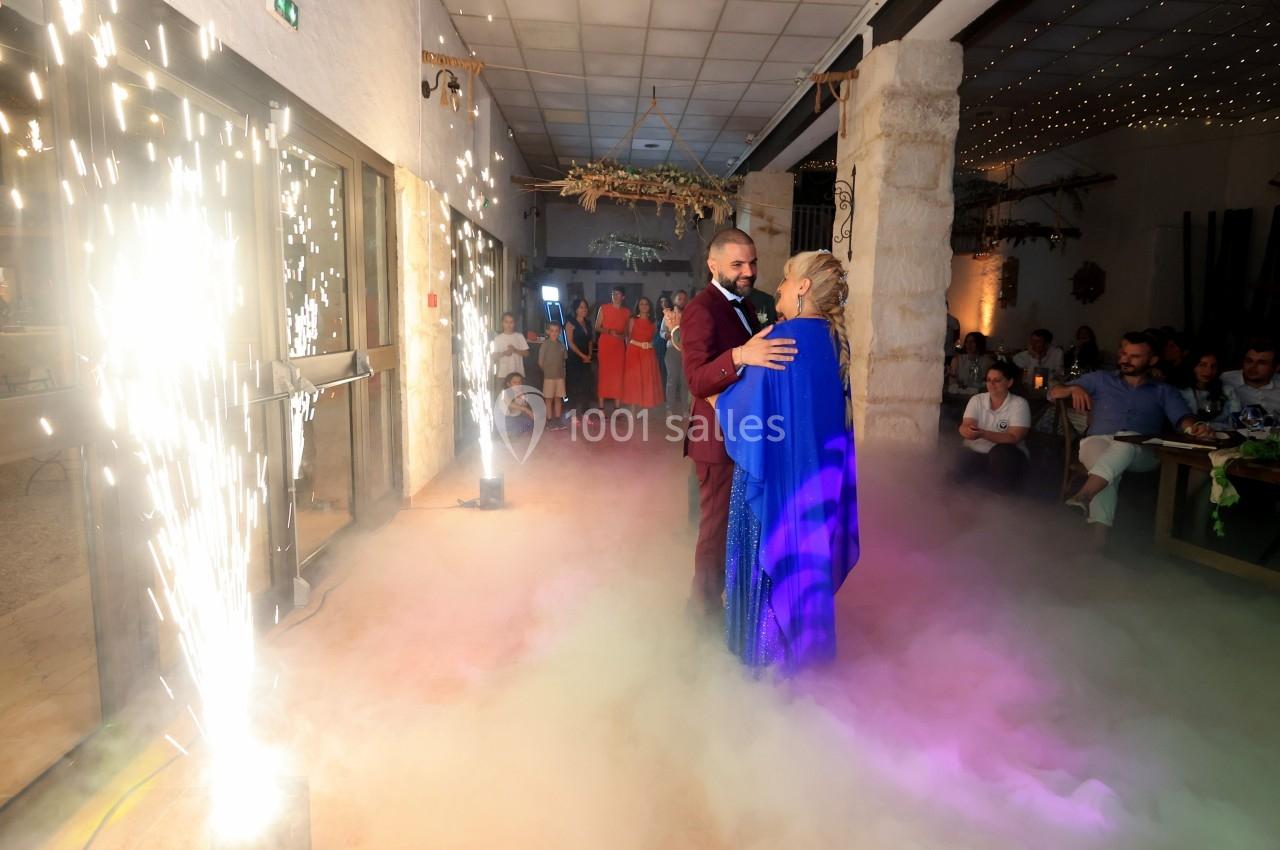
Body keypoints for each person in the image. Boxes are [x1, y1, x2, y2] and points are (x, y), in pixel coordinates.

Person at [712, 250, 858, 672]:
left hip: (775, 478)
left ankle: (768, 663)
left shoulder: (781, 337)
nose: (777, 284)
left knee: (771, 554)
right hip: (816, 486)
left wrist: (715, 386)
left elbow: (742, 408)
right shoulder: (833, 342)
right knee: (805, 561)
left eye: (786, 275)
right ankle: (806, 664)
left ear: (804, 287)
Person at [682, 228, 796, 617]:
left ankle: (734, 608)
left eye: (753, 262)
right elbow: (696, 379)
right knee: (714, 529)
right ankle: (702, 614)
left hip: (745, 434)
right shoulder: (701, 308)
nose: (749, 270)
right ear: (713, 265)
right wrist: (741, 354)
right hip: (716, 438)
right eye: (738, 264)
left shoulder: (746, 304)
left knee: (735, 527)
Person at [1050, 331, 1211, 537]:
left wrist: (1195, 427)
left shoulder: (1164, 390)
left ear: (1152, 360)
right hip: (1097, 442)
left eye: (1134, 356)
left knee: (1126, 442)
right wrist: (1071, 389)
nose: (1125, 359)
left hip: (1143, 451)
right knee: (1108, 469)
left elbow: (1182, 418)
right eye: (1124, 354)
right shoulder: (1100, 379)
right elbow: (1052, 391)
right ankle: (1096, 543)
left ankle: (1085, 495)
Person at [954, 361, 1031, 489]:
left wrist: (982, 433)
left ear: (1009, 382)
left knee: (1002, 453)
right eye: (989, 380)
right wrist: (967, 431)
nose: (991, 384)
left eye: (997, 380)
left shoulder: (1019, 404)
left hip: (1007, 458)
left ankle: (1003, 497)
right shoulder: (977, 400)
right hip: (977, 452)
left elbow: (1014, 437)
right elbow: (966, 425)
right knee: (953, 475)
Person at [1221, 337, 1279, 417]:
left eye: (1261, 363)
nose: (1252, 367)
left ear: (1276, 368)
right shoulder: (1225, 379)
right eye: (1249, 361)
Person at [1178, 349, 1238, 427]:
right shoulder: (1180, 391)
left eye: (1213, 366)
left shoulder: (1227, 390)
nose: (1209, 371)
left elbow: (1236, 419)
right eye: (1202, 365)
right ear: (1192, 366)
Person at [621, 297, 663, 408]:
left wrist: (651, 345)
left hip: (648, 353)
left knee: (647, 381)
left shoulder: (653, 322)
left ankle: (645, 410)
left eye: (646, 304)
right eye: (641, 304)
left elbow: (655, 338)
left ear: (649, 307)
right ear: (638, 306)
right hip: (633, 352)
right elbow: (628, 337)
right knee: (634, 381)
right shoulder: (632, 320)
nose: (644, 306)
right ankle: (632, 412)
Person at [594, 287, 629, 408]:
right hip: (605, 344)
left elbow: (626, 332)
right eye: (613, 293)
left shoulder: (626, 312)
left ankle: (617, 408)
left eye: (618, 294)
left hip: (619, 346)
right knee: (604, 374)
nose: (615, 295)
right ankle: (601, 407)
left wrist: (622, 335)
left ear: (623, 297)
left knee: (618, 376)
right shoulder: (603, 308)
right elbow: (597, 326)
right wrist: (609, 331)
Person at [564, 297, 595, 416]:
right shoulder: (570, 323)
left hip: (586, 358)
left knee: (586, 386)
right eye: (581, 307)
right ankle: (572, 414)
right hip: (574, 358)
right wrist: (582, 355)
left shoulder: (588, 323)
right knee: (574, 387)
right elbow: (570, 342)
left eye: (585, 307)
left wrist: (589, 355)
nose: (584, 309)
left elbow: (590, 341)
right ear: (576, 309)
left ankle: (585, 413)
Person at [538, 321, 567, 429]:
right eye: (552, 331)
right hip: (549, 377)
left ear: (559, 332)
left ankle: (558, 419)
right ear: (547, 332)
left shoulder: (561, 345)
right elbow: (540, 362)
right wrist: (547, 371)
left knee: (558, 398)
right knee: (548, 399)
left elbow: (563, 361)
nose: (554, 333)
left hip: (560, 377)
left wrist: (563, 375)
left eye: (556, 331)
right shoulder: (545, 345)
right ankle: (549, 419)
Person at [663, 303, 689, 415]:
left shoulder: (689, 317)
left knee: (684, 381)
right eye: (679, 299)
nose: (681, 300)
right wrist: (669, 335)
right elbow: (661, 333)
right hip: (671, 351)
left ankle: (685, 409)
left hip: (685, 352)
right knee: (671, 380)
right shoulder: (668, 317)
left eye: (683, 299)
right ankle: (669, 408)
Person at [492, 312, 528, 378]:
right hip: (503, 374)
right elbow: (494, 356)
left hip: (518, 374)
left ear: (514, 323)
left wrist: (515, 350)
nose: (509, 325)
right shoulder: (498, 338)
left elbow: (526, 353)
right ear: (502, 323)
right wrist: (504, 353)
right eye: (506, 322)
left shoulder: (520, 336)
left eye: (511, 322)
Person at [654, 295, 672, 392]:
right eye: (661, 302)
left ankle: (667, 392)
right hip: (658, 343)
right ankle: (659, 392)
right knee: (659, 368)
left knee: (668, 369)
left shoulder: (672, 314)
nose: (664, 303)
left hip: (669, 343)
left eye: (665, 301)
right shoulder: (656, 316)